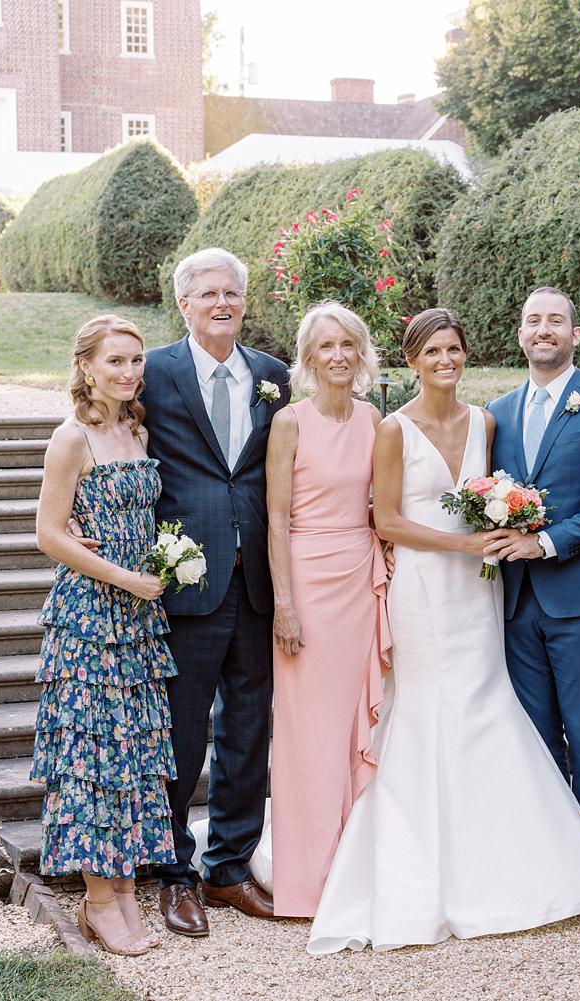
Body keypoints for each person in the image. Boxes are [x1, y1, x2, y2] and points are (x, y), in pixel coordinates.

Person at [308, 308, 580, 953]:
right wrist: (463, 545)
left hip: (482, 595)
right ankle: (424, 870)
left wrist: (506, 531)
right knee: (428, 711)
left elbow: (511, 493)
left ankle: (513, 864)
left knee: (488, 706)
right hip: (425, 589)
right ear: (413, 360)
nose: (445, 360)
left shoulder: (487, 421)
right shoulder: (395, 431)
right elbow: (387, 521)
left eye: (454, 349)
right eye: (432, 351)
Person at [144, 248, 291, 936]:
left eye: (233, 291)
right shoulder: (156, 372)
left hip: (259, 576)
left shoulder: (272, 375)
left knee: (249, 726)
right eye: (209, 294)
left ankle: (229, 865)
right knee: (183, 729)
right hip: (188, 581)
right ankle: (175, 872)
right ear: (185, 305)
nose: (223, 303)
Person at [31, 314, 175, 957]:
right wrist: (124, 575)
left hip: (140, 621)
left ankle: (122, 891)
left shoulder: (136, 430)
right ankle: (96, 899)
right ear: (86, 366)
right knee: (93, 760)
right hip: (91, 617)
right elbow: (49, 534)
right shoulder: (73, 439)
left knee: (133, 757)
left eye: (136, 359)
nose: (128, 371)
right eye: (115, 361)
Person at [484, 287, 580, 848]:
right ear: (521, 335)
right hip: (516, 604)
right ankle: (551, 856)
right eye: (533, 321)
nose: (543, 329)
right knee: (536, 739)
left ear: (575, 334)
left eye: (556, 321)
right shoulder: (496, 414)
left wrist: (545, 543)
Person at [263, 302, 388, 917]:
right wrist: (284, 603)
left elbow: (384, 503)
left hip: (361, 580)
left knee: (352, 727)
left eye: (348, 344)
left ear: (361, 353)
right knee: (307, 732)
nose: (338, 355)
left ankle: (353, 865)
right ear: (308, 358)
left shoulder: (373, 418)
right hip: (308, 581)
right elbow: (276, 517)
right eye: (326, 346)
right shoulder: (290, 421)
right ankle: (306, 882)